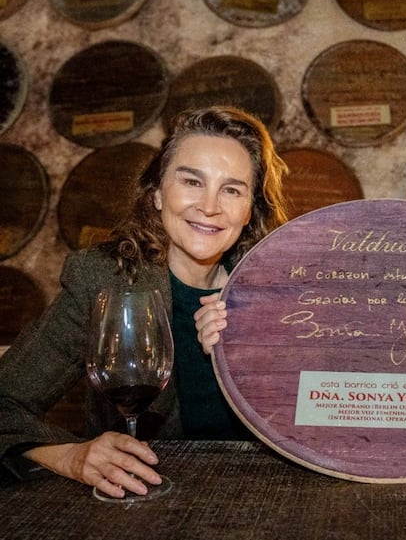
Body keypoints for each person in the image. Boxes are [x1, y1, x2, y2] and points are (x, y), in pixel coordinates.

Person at [0, 106, 290, 497]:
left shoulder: (284, 292)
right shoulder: (102, 279)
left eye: (232, 189)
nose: (209, 206)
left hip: (269, 499)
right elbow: (6, 399)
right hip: (145, 508)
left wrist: (256, 357)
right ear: (155, 194)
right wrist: (69, 457)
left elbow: (331, 423)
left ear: (250, 211)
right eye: (191, 181)